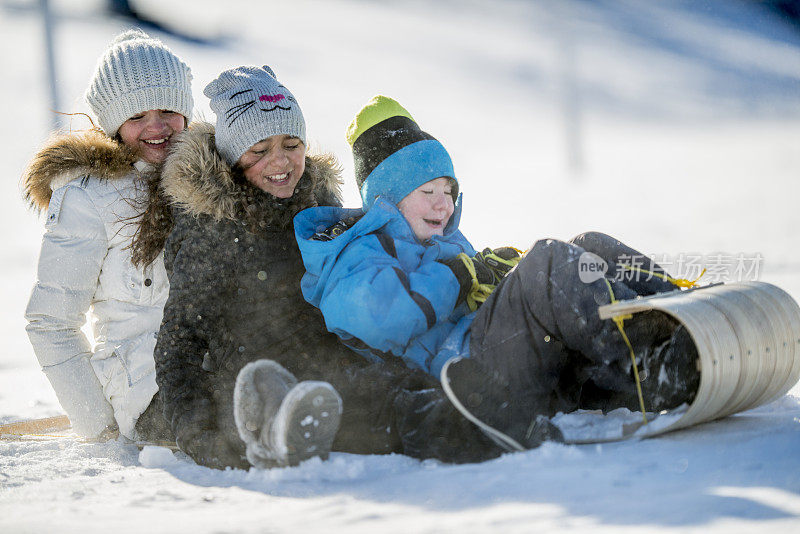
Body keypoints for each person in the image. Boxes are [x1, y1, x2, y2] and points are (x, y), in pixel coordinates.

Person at [294, 95, 702, 451]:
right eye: (428, 193)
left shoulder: (444, 239)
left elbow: (472, 294)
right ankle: (652, 361)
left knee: (589, 245)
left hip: (506, 357)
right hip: (467, 376)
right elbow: (379, 318)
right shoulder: (354, 253)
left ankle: (684, 318)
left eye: (449, 192)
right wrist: (461, 276)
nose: (444, 206)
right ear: (388, 199)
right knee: (546, 264)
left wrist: (495, 275)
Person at [154, 66, 505, 470]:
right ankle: (469, 434)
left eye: (291, 143)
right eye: (259, 150)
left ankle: (483, 411)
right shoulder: (210, 228)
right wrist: (199, 434)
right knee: (370, 411)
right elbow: (178, 341)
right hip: (255, 372)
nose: (281, 161)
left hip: (336, 357)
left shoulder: (318, 203)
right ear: (233, 158)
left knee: (400, 388)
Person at [22, 29, 194, 442]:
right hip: (146, 387)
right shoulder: (89, 196)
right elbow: (50, 322)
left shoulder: (208, 180)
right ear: (113, 124)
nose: (157, 127)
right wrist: (99, 426)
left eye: (168, 109)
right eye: (136, 116)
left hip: (214, 363)